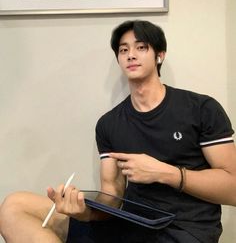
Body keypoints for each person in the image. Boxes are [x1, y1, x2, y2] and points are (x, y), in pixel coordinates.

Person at [0, 20, 236, 243]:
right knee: (15, 206)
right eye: (123, 50)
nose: (131, 54)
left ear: (160, 55)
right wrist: (84, 212)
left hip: (183, 231)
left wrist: (165, 173)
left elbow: (233, 189)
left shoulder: (200, 109)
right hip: (131, 226)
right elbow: (111, 195)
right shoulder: (109, 124)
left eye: (141, 47)